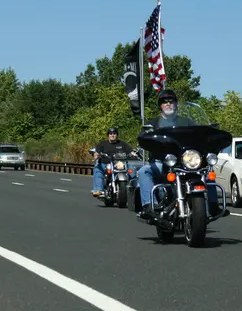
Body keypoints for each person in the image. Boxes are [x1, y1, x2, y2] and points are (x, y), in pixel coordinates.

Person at [136, 89, 230, 219]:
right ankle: (149, 206)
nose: (168, 104)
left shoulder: (187, 122)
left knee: (207, 172)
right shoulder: (153, 123)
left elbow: (200, 136)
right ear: (160, 105)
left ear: (176, 104)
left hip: (186, 161)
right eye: (164, 101)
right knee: (144, 171)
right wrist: (146, 136)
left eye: (171, 101)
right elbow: (143, 137)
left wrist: (210, 133)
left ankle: (213, 205)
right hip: (161, 161)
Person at [91, 127, 135, 197]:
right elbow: (96, 152)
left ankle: (135, 189)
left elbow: (131, 151)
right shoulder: (102, 144)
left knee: (132, 169)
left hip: (120, 164)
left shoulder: (122, 144)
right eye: (110, 133)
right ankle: (98, 190)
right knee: (98, 169)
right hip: (105, 164)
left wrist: (134, 154)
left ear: (117, 135)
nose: (112, 135)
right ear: (108, 135)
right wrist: (96, 155)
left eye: (114, 133)